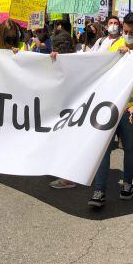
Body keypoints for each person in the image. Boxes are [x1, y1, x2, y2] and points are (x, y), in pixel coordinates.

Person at [88, 12, 133, 208]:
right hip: (109, 107)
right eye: (125, 31)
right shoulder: (114, 46)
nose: (128, 34)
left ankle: (127, 184)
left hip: (130, 110)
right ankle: (99, 191)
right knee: (103, 149)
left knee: (129, 148)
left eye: (132, 32)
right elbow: (93, 66)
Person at [48, 29, 79, 190]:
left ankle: (67, 177)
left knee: (65, 141)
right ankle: (67, 174)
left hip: (65, 109)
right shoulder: (80, 59)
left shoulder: (60, 61)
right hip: (73, 109)